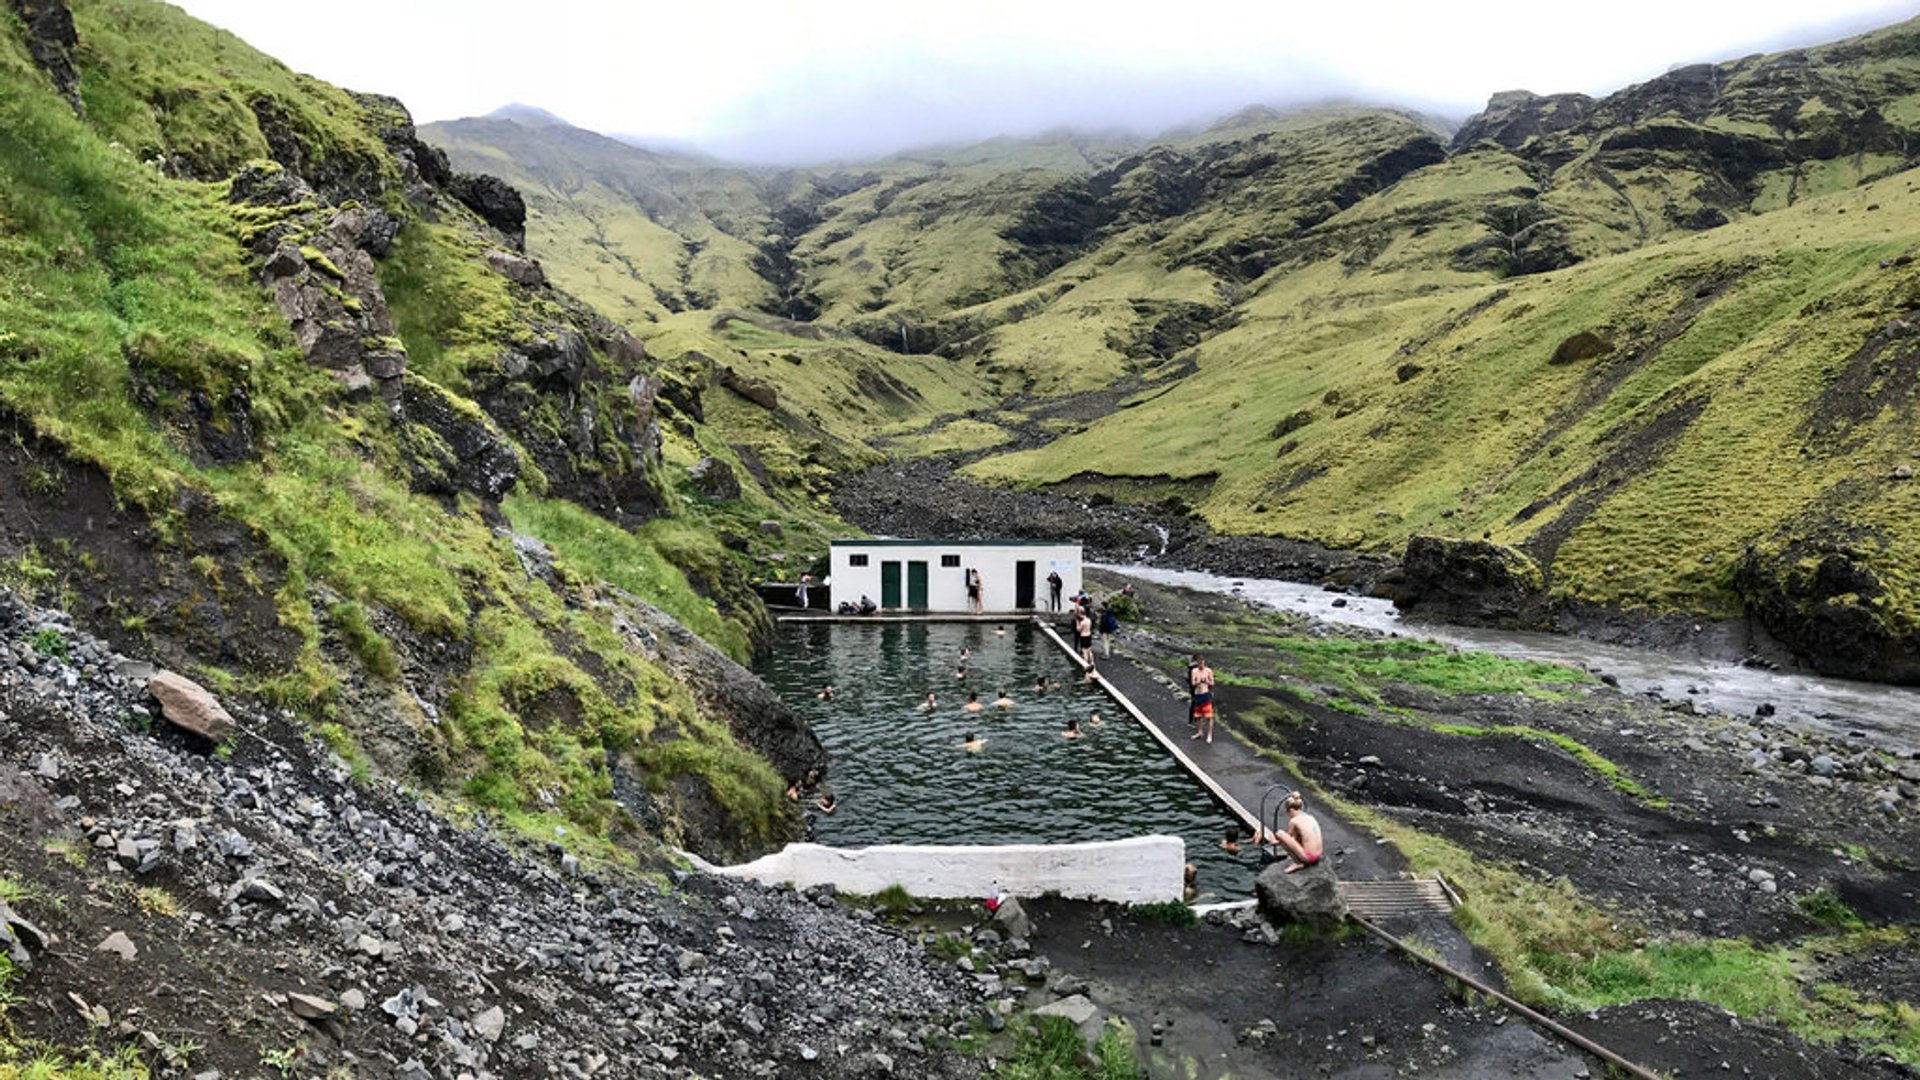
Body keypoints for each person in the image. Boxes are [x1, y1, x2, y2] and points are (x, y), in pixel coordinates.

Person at [1264, 792, 1324, 873]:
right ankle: (1300, 861)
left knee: (1279, 833)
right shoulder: (1310, 817)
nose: (1288, 815)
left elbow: (1286, 840)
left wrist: (1273, 841)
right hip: (1318, 854)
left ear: (1291, 810)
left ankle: (1298, 863)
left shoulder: (1294, 821)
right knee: (1299, 836)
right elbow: (1294, 839)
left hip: (1309, 857)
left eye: (1287, 812)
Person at [1189, 654, 1215, 743]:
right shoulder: (1194, 671)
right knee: (1198, 715)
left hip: (1205, 694)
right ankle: (1200, 732)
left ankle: (1209, 735)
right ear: (1197, 663)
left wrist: (1206, 681)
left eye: (1202, 664)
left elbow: (1212, 683)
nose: (1201, 665)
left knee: (1208, 716)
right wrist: (1198, 682)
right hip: (1197, 695)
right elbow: (1192, 683)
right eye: (1199, 664)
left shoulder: (1208, 671)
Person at [1073, 605, 1095, 674]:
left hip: (1083, 636)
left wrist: (1077, 623)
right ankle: (1092, 662)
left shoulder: (1082, 622)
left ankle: (1085, 665)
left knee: (1084, 651)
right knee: (1089, 650)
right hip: (1089, 635)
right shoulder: (1089, 620)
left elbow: (1078, 630)